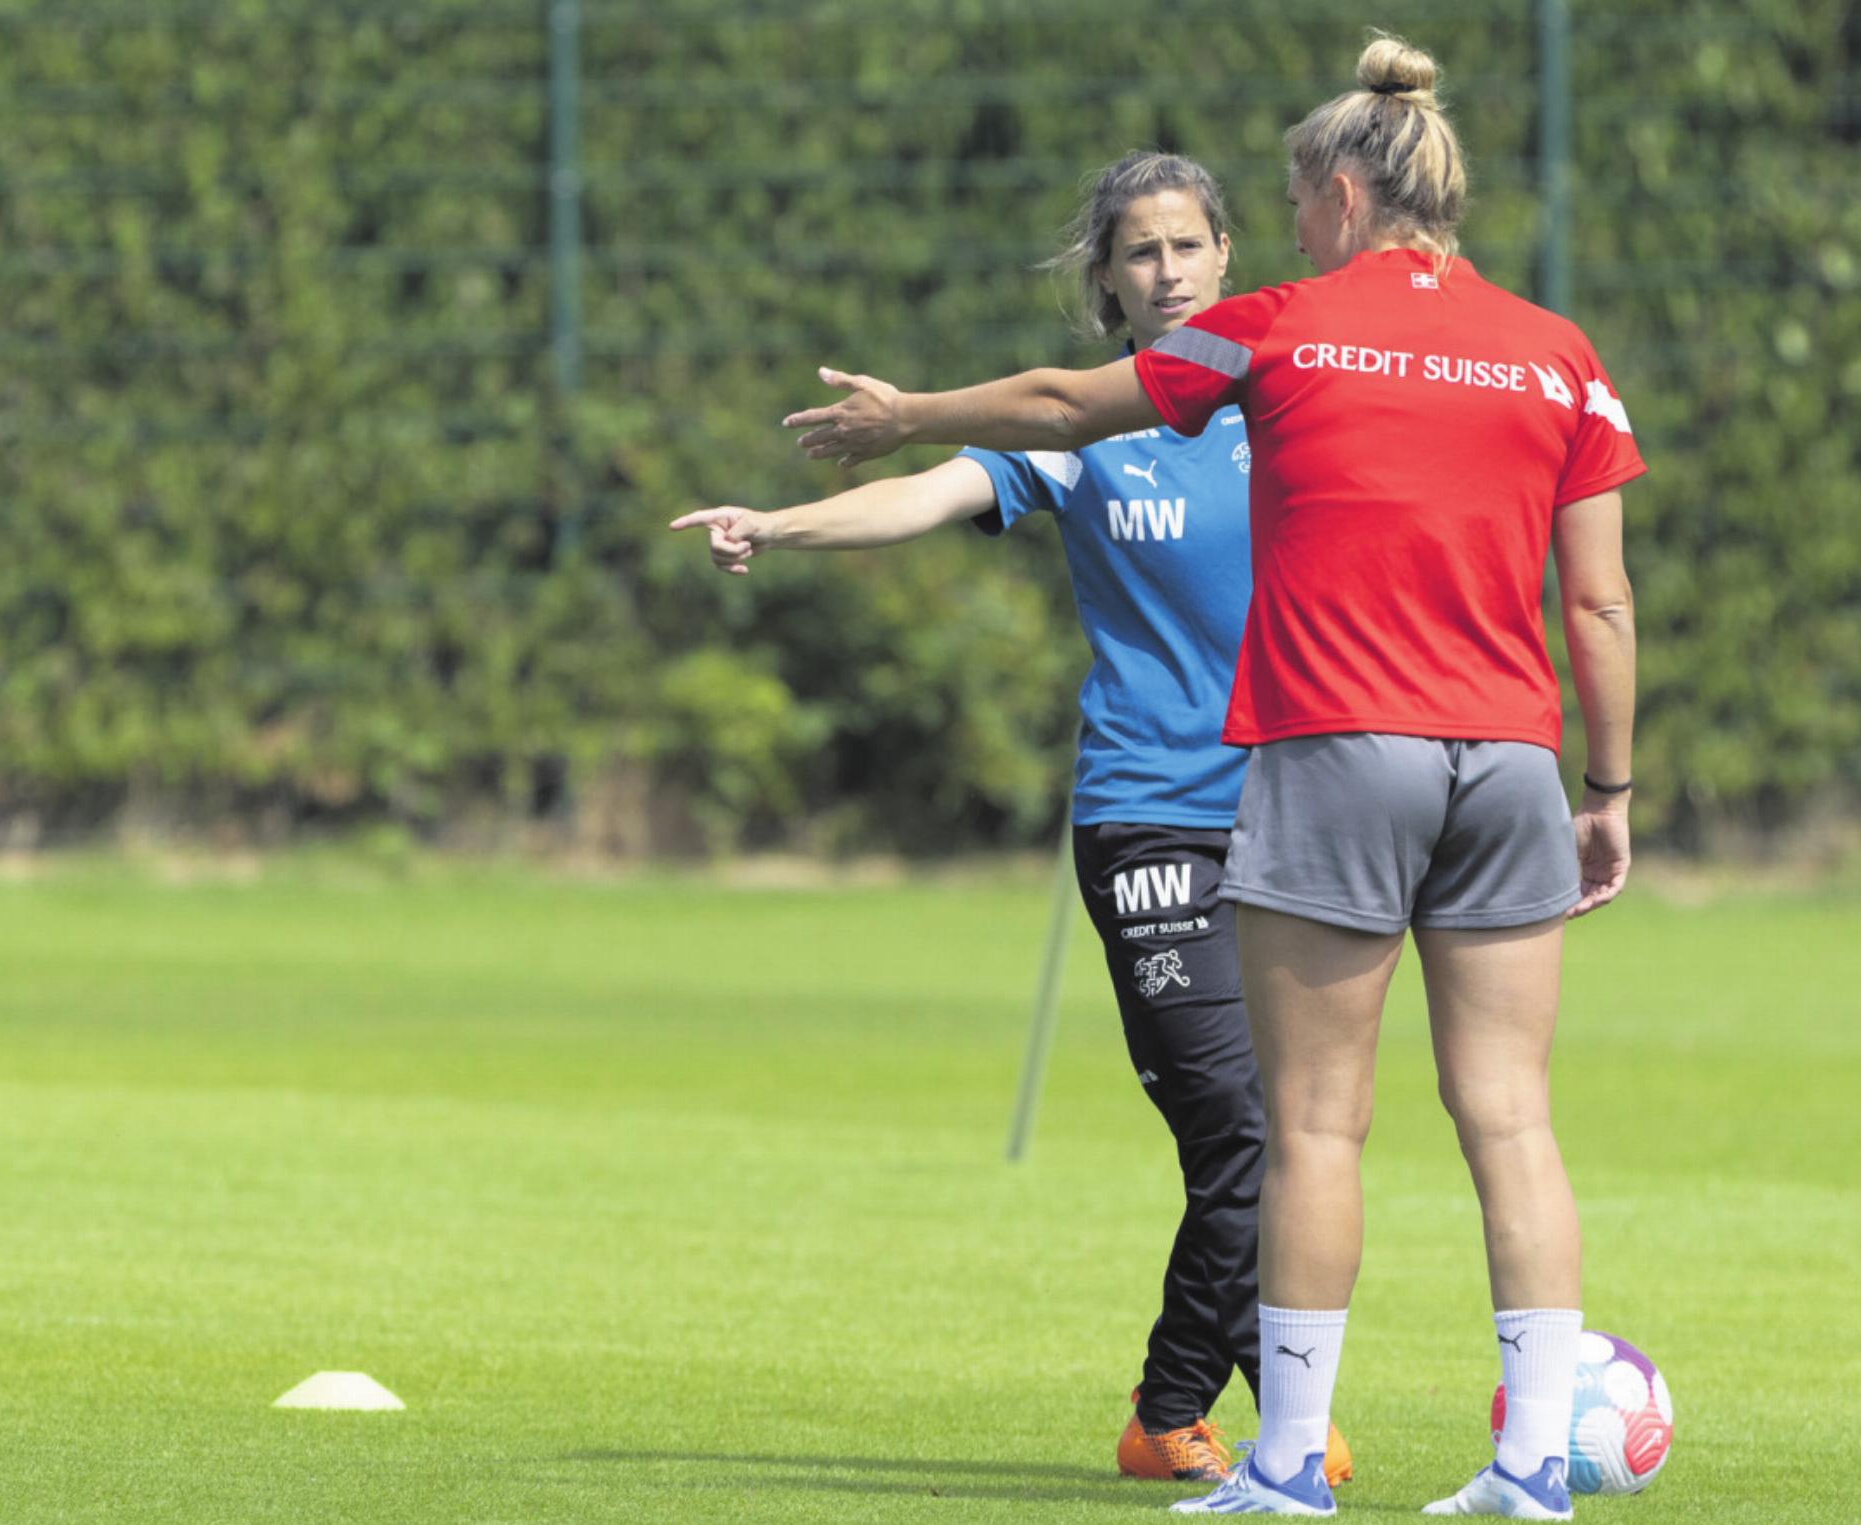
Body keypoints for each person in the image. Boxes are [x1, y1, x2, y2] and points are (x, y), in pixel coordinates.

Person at [779, 35, 1641, 1521]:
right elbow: (1603, 603)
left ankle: (1288, 1464)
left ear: (1344, 196)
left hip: (1340, 751)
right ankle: (1528, 1470)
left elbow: (1064, 404)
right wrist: (1611, 791)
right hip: (1511, 760)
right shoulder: (1559, 351)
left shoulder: (1278, 330)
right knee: (1512, 1119)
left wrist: (907, 413)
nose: (1286, 231)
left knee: (1309, 1125)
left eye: (1295, 204)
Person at [673, 151, 1352, 1490]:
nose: (1168, 271)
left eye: (1189, 245)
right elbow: (928, 492)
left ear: (1230, 255)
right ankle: (1234, 1411)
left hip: (1295, 814)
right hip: (1150, 819)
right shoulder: (1082, 429)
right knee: (1241, 1133)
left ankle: (1217, 1404)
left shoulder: (1290, 401)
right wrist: (782, 526)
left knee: (1297, 1133)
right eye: (1140, 252)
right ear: (1107, 279)